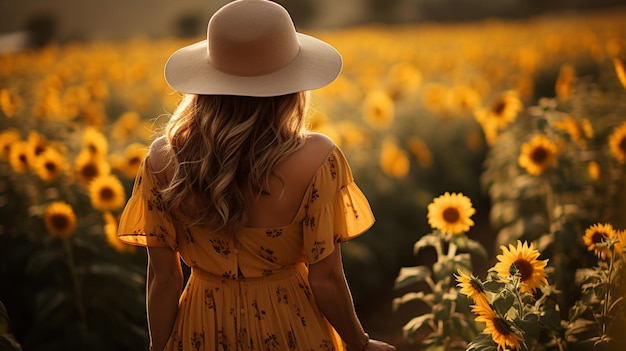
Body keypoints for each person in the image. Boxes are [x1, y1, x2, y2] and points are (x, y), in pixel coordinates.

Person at [117, 1, 396, 350]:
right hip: (290, 324)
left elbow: (164, 279)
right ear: (292, 85)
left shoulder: (161, 159)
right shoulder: (317, 158)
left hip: (200, 328)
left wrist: (158, 348)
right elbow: (325, 279)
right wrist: (361, 343)